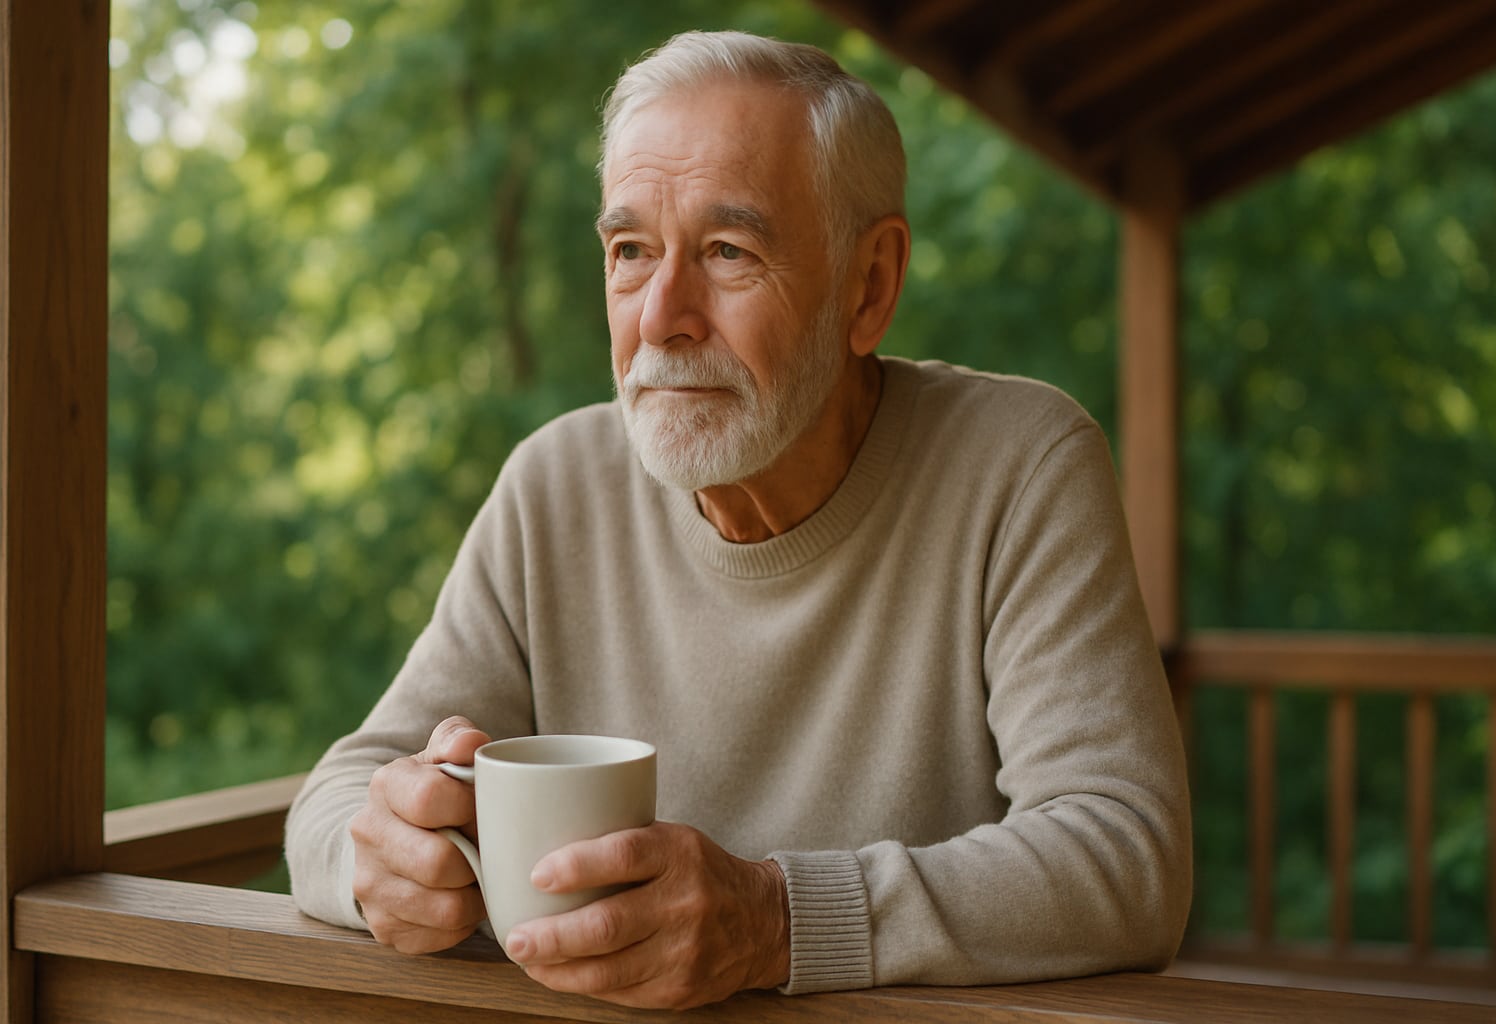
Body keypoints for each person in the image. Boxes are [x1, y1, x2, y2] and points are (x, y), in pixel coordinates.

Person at [285, 29, 1192, 1011]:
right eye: (631, 251)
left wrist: (776, 917)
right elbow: (341, 797)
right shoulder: (556, 482)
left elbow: (1125, 854)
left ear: (870, 285)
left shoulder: (1021, 463)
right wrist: (377, 859)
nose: (663, 314)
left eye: (728, 251)